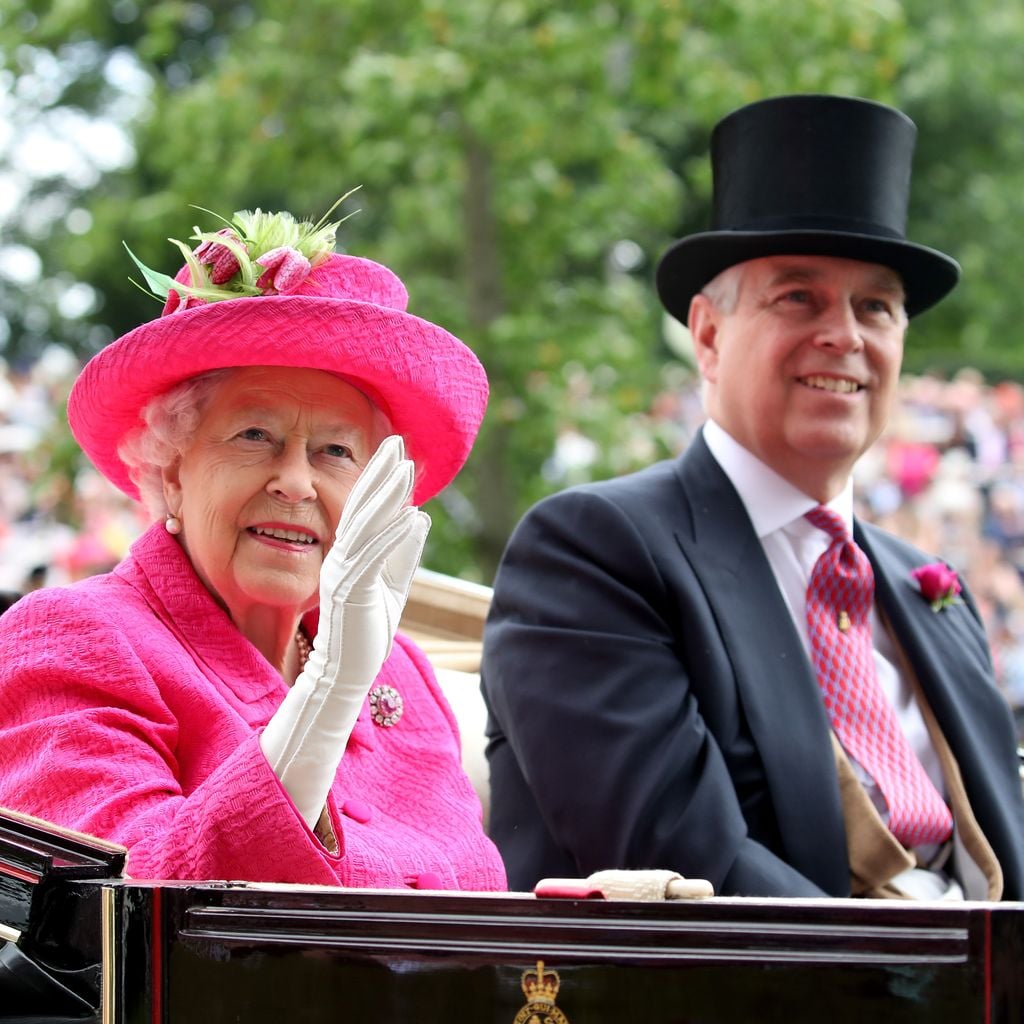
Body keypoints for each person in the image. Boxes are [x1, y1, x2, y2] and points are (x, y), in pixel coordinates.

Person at [481, 94, 1024, 900]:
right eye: (798, 297)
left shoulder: (929, 588)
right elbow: (689, 865)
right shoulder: (595, 551)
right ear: (706, 334)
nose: (844, 334)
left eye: (875, 305)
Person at [0, 197, 506, 891]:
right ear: (172, 468)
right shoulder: (68, 639)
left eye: (334, 451)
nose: (295, 482)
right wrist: (327, 693)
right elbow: (132, 915)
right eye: (254, 436)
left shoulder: (401, 672)